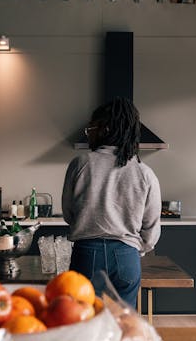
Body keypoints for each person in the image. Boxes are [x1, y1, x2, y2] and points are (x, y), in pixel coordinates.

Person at [62, 97, 162, 308]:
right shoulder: (144, 172)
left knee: (83, 319)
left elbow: (69, 213)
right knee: (122, 324)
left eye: (91, 129)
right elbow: (151, 230)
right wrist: (134, 248)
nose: (89, 135)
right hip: (127, 257)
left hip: (86, 254)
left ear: (105, 129)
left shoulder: (81, 164)